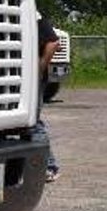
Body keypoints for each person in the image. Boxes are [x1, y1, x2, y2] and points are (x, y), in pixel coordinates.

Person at [35, 14, 61, 183]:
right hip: (19, 78)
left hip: (34, 80)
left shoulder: (37, 18)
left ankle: (49, 166)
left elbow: (53, 42)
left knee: (33, 122)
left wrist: (40, 67)